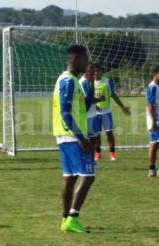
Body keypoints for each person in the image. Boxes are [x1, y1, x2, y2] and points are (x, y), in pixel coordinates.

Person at [53, 45, 95, 233]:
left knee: (70, 178)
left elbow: (83, 108)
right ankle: (73, 217)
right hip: (72, 136)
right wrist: (80, 137)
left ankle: (65, 220)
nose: (87, 63)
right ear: (75, 59)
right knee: (88, 176)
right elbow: (65, 112)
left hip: (66, 136)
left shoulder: (73, 81)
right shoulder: (68, 81)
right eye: (85, 59)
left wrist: (91, 85)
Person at [93, 64, 131, 161]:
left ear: (101, 71)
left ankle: (112, 153)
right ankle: (97, 153)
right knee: (96, 134)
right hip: (94, 113)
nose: (96, 73)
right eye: (95, 71)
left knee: (109, 133)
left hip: (106, 112)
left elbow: (113, 95)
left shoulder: (106, 81)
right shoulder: (89, 82)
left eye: (98, 70)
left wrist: (122, 107)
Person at [79, 63, 105, 152]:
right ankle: (87, 161)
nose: (94, 73)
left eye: (94, 71)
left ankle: (91, 161)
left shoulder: (89, 82)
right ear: (86, 71)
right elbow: (88, 99)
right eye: (91, 71)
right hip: (86, 115)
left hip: (92, 114)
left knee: (93, 137)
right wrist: (100, 99)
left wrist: (96, 107)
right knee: (88, 139)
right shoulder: (83, 82)